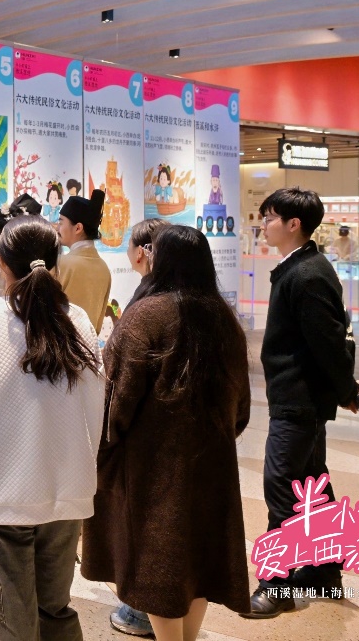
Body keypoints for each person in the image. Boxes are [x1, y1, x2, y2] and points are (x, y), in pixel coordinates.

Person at [82, 225, 251, 641]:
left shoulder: (146, 314)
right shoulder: (224, 318)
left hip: (153, 467)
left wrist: (104, 449)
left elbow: (117, 401)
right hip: (213, 464)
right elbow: (241, 408)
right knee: (199, 561)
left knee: (155, 565)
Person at [0, 215, 102, 641]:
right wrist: (84, 473)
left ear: (1, 263)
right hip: (67, 490)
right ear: (54, 262)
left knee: (11, 618)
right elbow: (95, 407)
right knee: (54, 607)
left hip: (5, 492)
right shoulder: (76, 320)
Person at [244, 188, 359, 618]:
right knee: (310, 486)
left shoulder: (307, 274)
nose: (264, 225)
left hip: (299, 400)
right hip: (299, 398)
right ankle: (323, 572)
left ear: (294, 224)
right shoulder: (301, 267)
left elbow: (329, 342)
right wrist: (343, 388)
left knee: (282, 485)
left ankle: (276, 584)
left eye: (270, 218)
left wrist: (346, 389)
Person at [108, 216, 169, 639]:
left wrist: (111, 431)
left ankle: (141, 611)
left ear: (143, 253)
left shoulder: (147, 302)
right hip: (176, 439)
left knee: (143, 522)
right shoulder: (195, 300)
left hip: (143, 436)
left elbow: (126, 381)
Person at [55, 189, 112, 332]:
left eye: (61, 222)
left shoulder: (61, 264)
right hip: (89, 345)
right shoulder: (104, 268)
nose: (57, 227)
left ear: (78, 228)